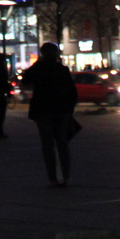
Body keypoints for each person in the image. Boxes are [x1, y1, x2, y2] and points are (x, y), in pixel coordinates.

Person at [20, 43, 77, 187]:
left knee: (47, 145)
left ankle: (52, 178)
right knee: (62, 143)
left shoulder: (38, 69)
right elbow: (72, 91)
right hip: (61, 109)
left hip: (43, 110)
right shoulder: (62, 69)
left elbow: (25, 79)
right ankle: (66, 177)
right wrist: (70, 109)